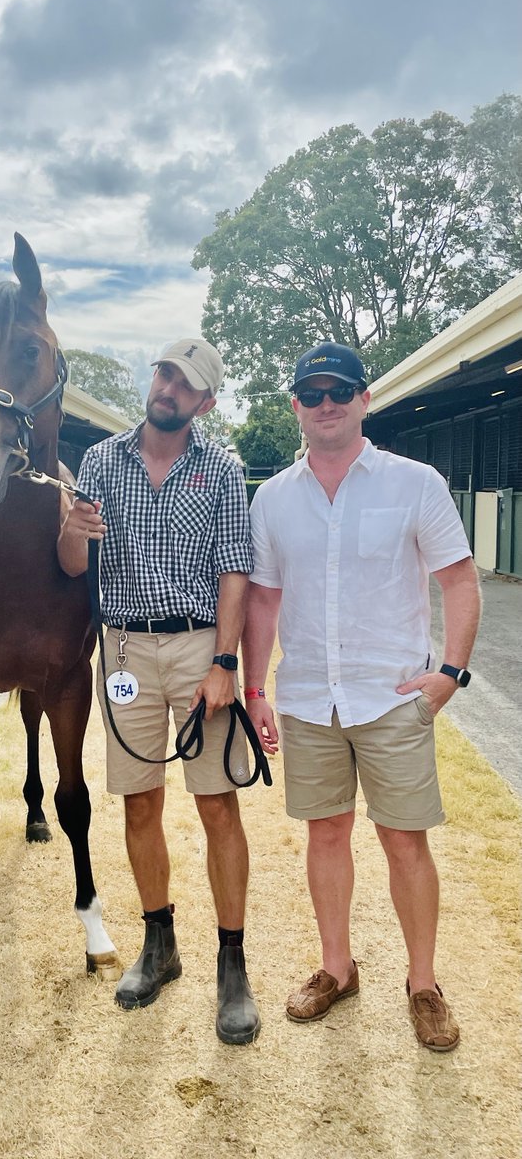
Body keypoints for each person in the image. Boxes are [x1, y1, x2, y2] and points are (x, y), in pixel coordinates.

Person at [241, 341, 480, 1053]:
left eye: (339, 391)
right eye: (311, 394)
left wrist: (450, 674)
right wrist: (255, 686)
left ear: (363, 399)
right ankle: (337, 969)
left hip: (391, 696)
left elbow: (461, 582)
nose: (326, 404)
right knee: (326, 834)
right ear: (296, 407)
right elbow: (262, 602)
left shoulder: (415, 483)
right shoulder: (275, 497)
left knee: (405, 842)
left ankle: (424, 984)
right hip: (310, 696)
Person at [57, 338, 260, 1045]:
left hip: (200, 646)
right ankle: (159, 943)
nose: (169, 389)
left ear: (205, 402)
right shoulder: (100, 461)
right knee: (139, 801)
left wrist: (225, 663)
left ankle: (231, 962)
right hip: (124, 648)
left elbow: (235, 569)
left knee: (217, 804)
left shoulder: (223, 469)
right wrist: (73, 531)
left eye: (187, 383)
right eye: (165, 373)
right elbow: (72, 560)